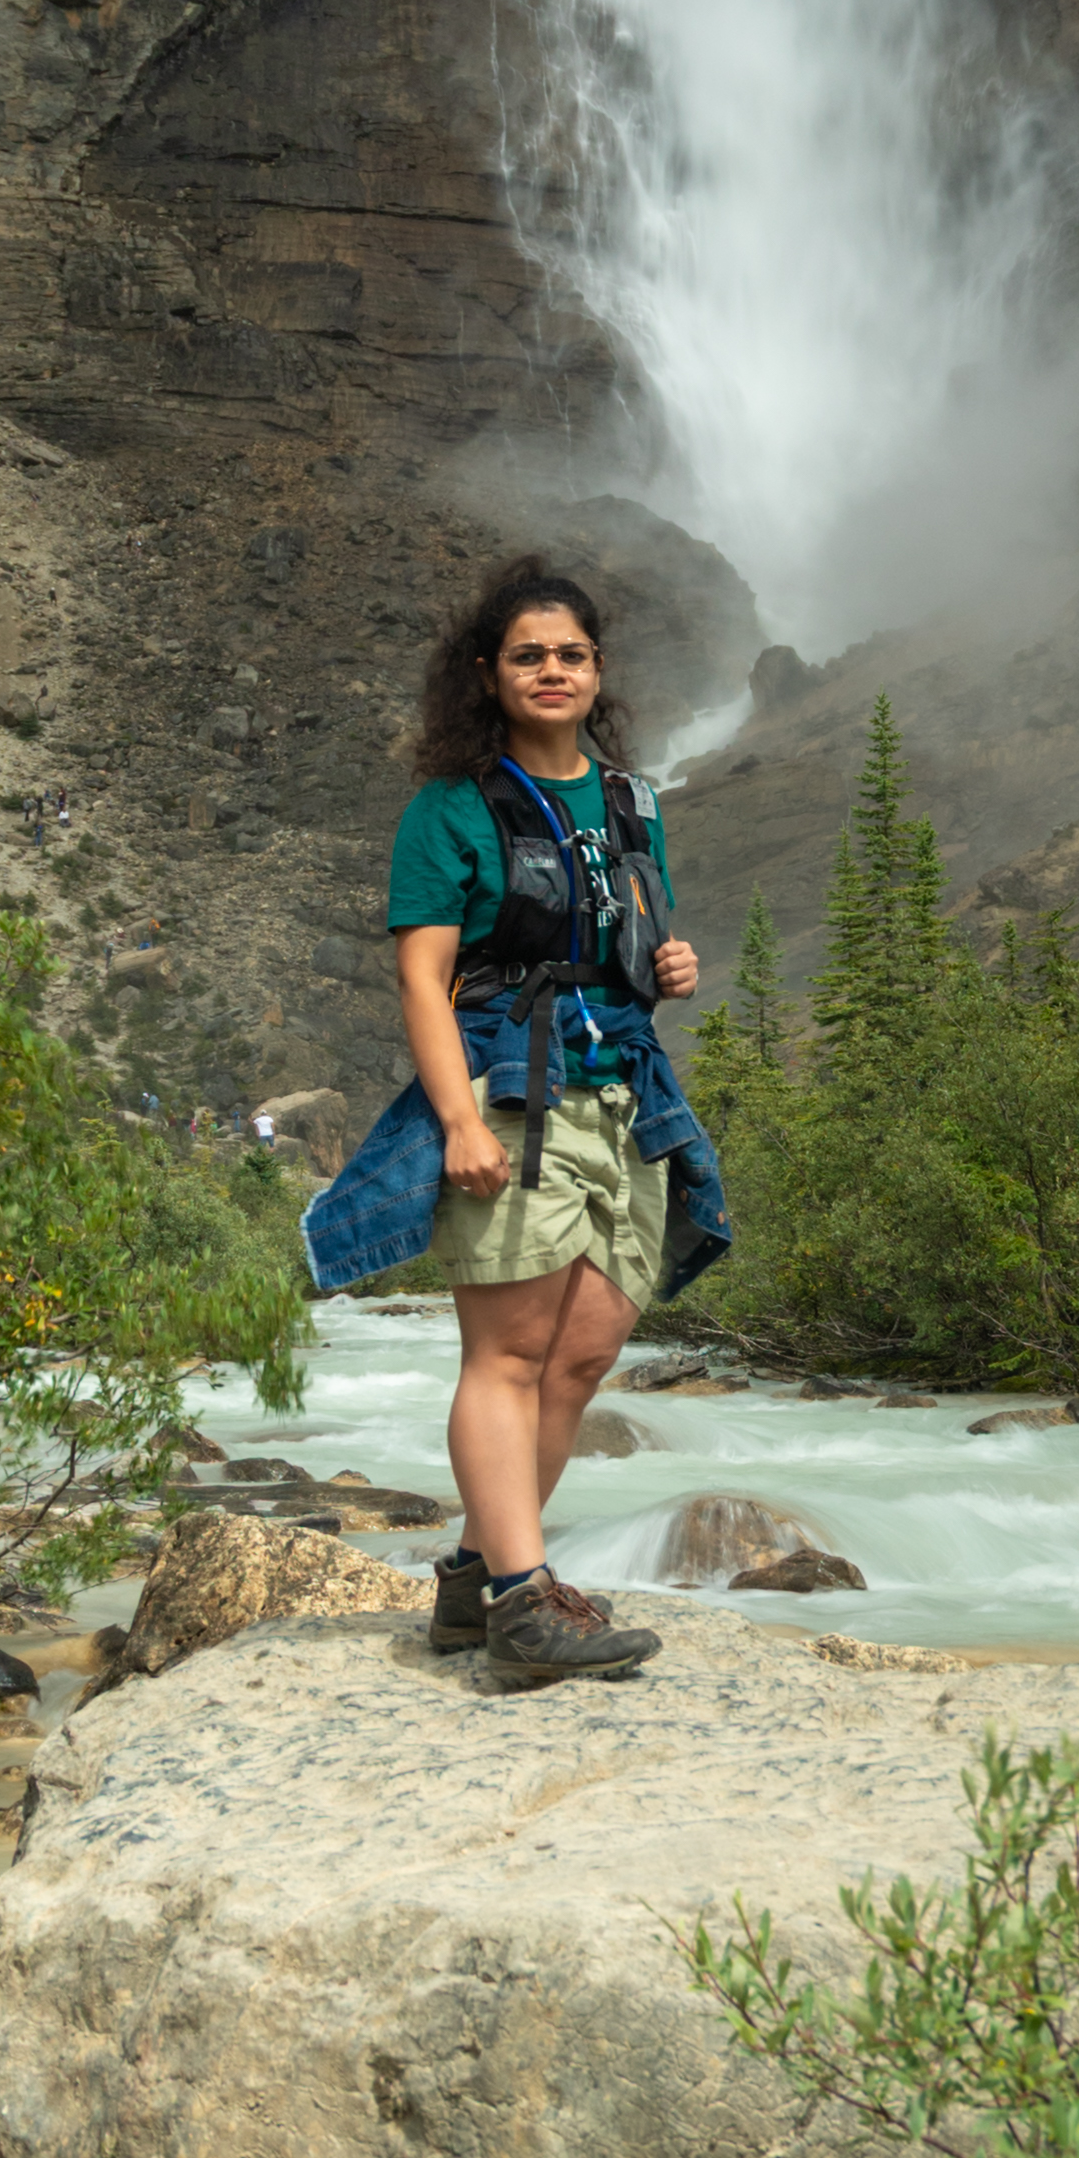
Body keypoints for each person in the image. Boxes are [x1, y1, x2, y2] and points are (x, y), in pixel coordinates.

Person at [298, 555, 731, 1686]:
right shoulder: (448, 813)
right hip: (512, 1093)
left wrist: (667, 968)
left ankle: (471, 1584)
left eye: (570, 654)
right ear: (486, 673)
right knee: (508, 1351)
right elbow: (422, 981)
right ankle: (520, 1605)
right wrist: (458, 1121)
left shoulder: (632, 801)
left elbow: (621, 944)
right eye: (527, 655)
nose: (552, 671)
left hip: (624, 1095)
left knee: (581, 1355)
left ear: (599, 672)